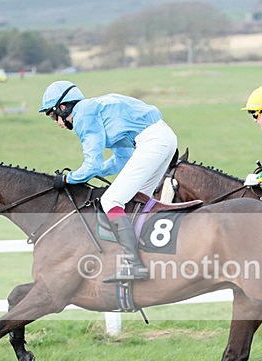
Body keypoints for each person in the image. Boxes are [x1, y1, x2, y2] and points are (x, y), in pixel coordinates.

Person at [40, 80, 177, 282]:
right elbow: (122, 159)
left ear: (63, 107)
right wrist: (89, 173)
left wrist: (69, 178)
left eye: (53, 116)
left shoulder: (82, 115)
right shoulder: (97, 109)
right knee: (137, 201)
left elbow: (92, 164)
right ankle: (147, 256)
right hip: (164, 138)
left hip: (152, 142)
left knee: (110, 201)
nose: (58, 123)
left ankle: (133, 264)